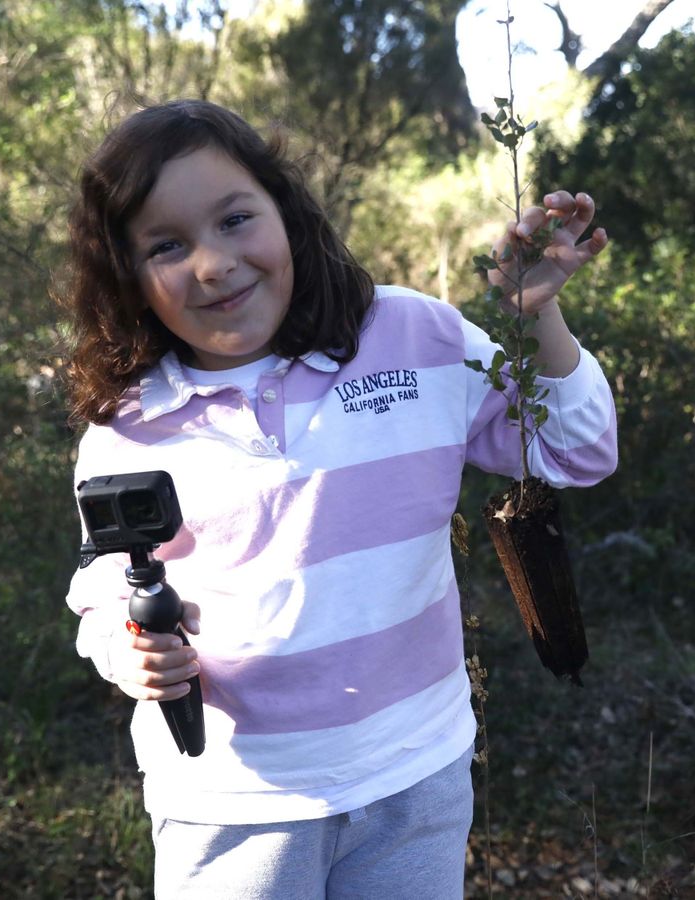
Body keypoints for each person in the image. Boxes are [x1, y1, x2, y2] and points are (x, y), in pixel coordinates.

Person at [57, 98, 616, 898]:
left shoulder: (414, 337)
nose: (213, 264)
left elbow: (576, 449)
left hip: (414, 771)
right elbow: (103, 589)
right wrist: (129, 649)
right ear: (128, 276)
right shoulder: (130, 426)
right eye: (167, 245)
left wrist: (540, 314)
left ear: (285, 213)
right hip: (232, 799)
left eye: (235, 219)